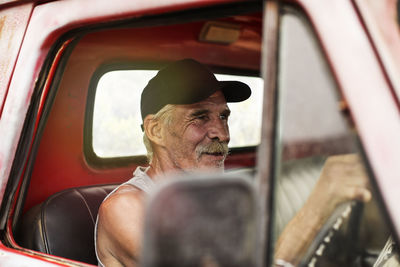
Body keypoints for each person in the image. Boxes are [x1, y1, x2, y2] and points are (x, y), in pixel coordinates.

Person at [95, 59, 371, 267]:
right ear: (156, 130)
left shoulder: (213, 199)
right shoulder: (126, 208)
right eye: (200, 117)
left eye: (223, 117)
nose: (223, 135)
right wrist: (319, 205)